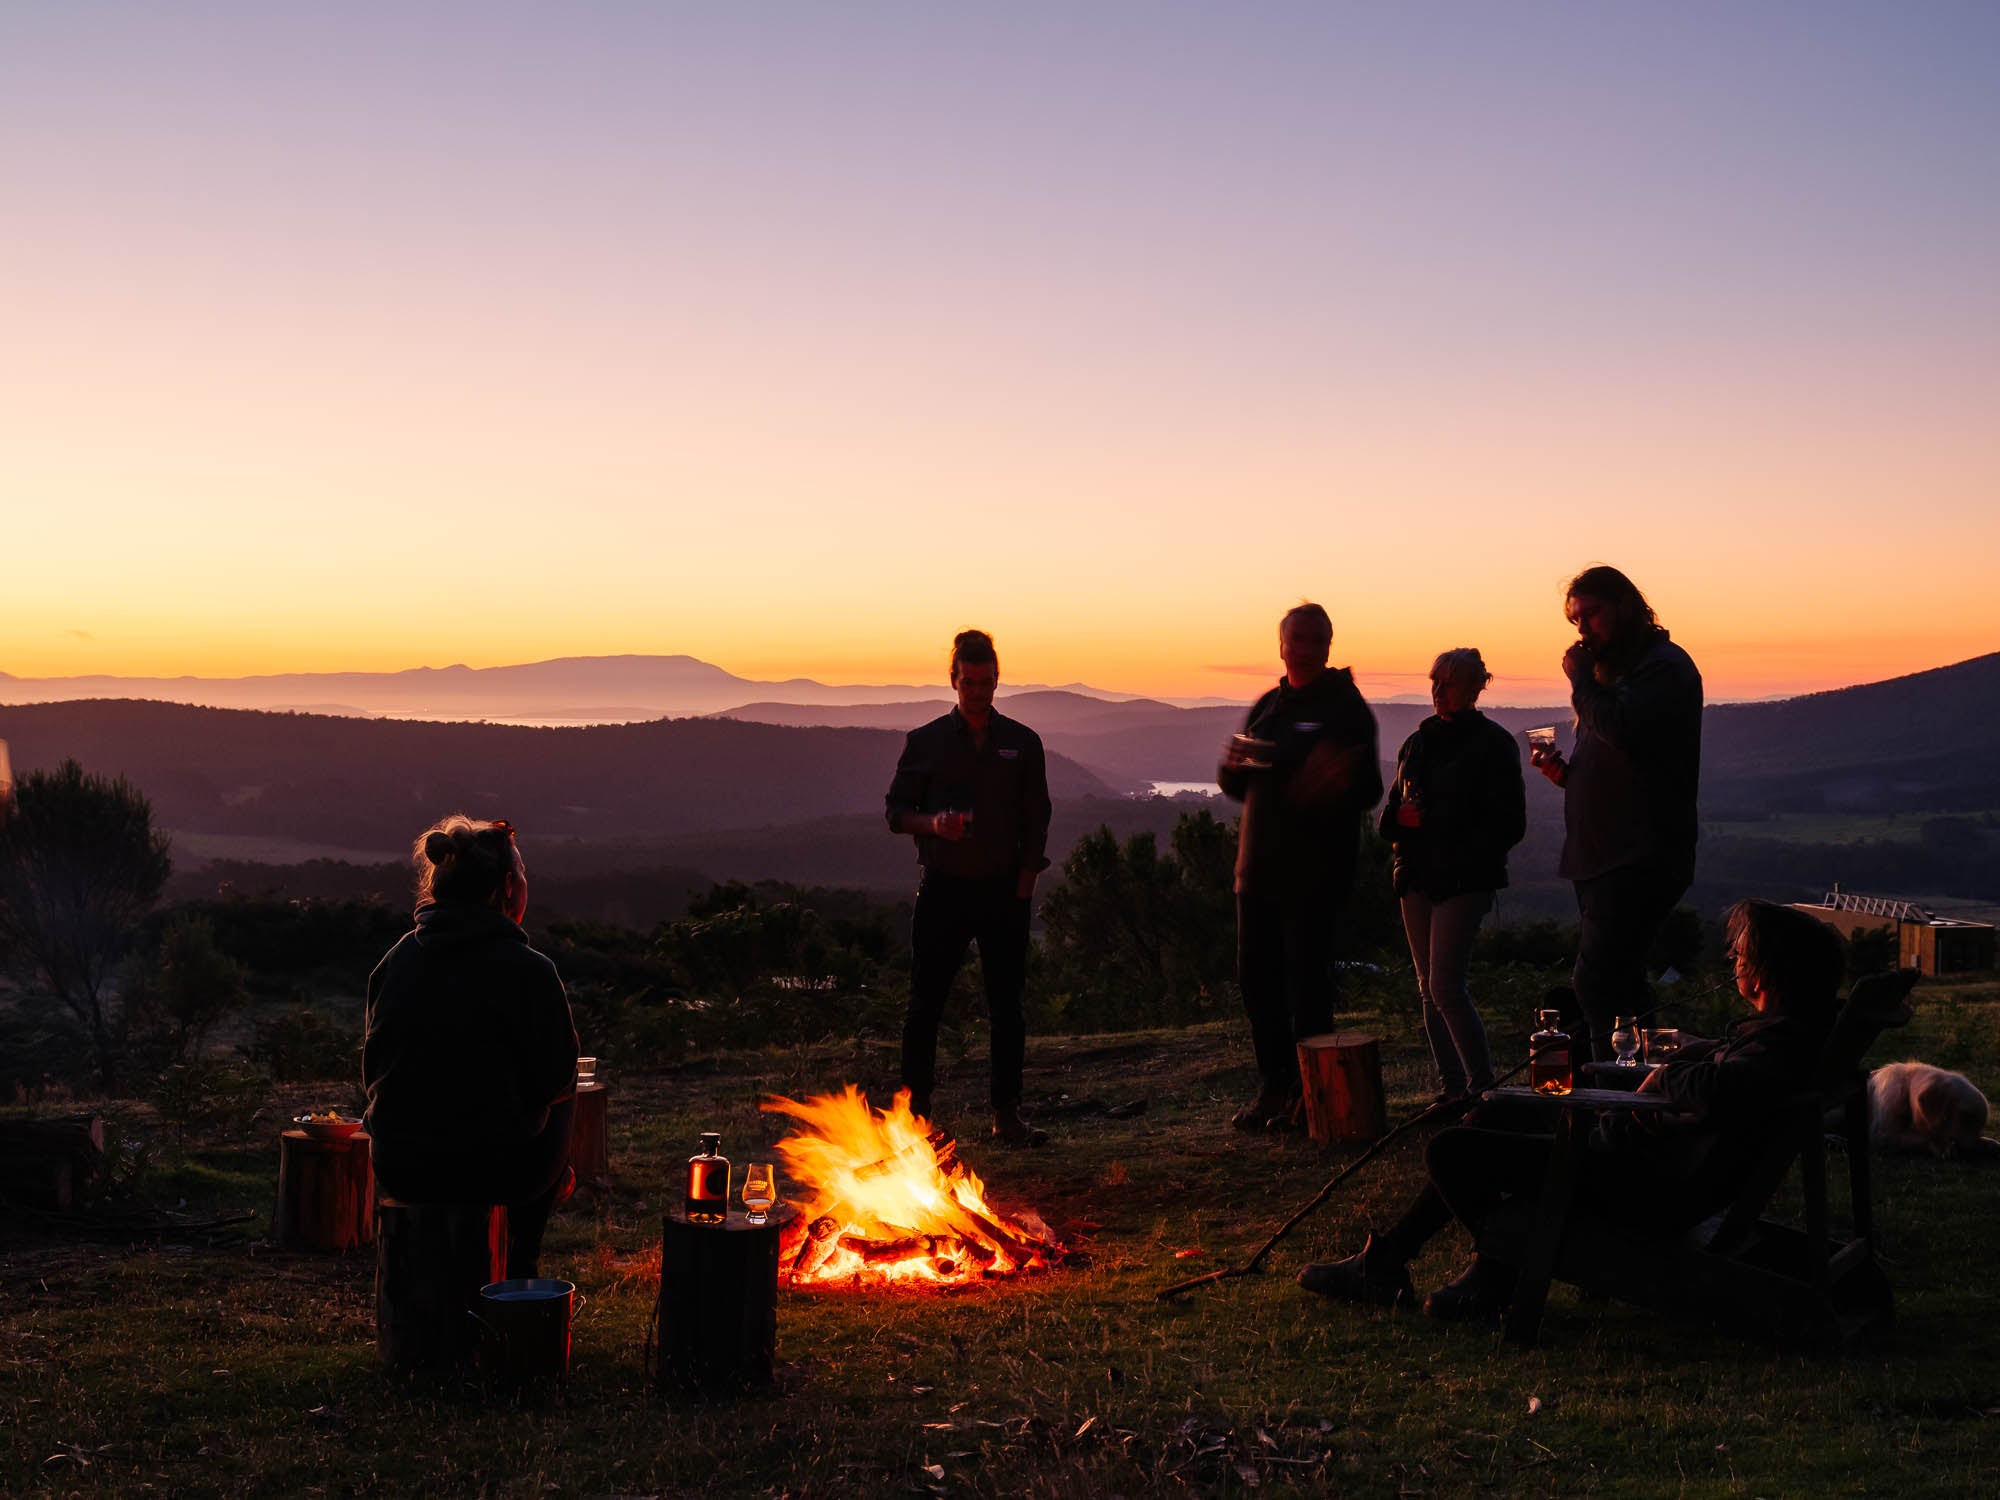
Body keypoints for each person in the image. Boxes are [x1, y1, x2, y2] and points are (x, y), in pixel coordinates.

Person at [1296, 898, 1845, 1320]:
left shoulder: (1777, 1046)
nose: (1733, 961)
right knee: (1494, 1117)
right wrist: (1696, 1050)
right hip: (1639, 1162)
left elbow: (1722, 1086)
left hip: (1635, 1184)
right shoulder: (1785, 1035)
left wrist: (1672, 1074)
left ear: (1767, 972)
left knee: (1452, 1150)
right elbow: (1726, 1072)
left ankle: (1495, 1271)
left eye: (1741, 955)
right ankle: (1405, 1263)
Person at [363, 815, 579, 1280]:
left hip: (401, 1165)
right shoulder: (532, 970)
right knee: (566, 1090)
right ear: (506, 886)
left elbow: (374, 1070)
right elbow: (558, 1077)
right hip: (498, 1171)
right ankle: (522, 1262)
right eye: (522, 874)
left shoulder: (396, 959)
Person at [884, 629, 1053, 1145]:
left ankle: (1007, 1115)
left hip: (1005, 892)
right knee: (925, 1005)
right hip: (944, 891)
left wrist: (1025, 882)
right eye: (969, 682)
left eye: (986, 682)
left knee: (1007, 1006)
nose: (978, 691)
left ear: (997, 681)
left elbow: (1037, 815)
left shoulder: (1022, 743)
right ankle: (916, 1120)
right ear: (953, 681)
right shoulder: (926, 742)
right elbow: (895, 814)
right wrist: (935, 826)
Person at [1219, 603, 1382, 1131]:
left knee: (1307, 987)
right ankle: (1275, 1088)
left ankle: (1312, 1100)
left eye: (1318, 640)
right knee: (1256, 981)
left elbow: (1370, 789)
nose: (1308, 648)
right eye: (1299, 640)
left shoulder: (1346, 708)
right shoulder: (1269, 704)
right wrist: (1230, 768)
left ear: (1329, 645)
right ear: (1282, 645)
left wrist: (1336, 780)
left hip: (1314, 873)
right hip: (1258, 869)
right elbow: (1240, 787)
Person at [1530, 566, 1703, 1061]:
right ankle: (1642, 1091)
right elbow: (1618, 751)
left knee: (1596, 981)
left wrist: (1580, 678)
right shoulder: (1619, 674)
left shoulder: (1663, 666)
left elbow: (1620, 725)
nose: (1582, 629)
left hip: (1639, 854)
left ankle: (1612, 1090)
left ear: (1626, 605)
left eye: (1591, 615)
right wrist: (1568, 775)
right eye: (1575, 620)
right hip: (1601, 853)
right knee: (1623, 985)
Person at [1379, 648, 1526, 1101]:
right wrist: (1402, 822)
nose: (1438, 692)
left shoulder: (1493, 745)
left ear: (1475, 687)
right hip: (1415, 876)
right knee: (1429, 989)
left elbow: (1510, 825)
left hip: (1465, 881)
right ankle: (1452, 1092)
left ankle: (1484, 1092)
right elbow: (1388, 820)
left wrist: (1440, 824)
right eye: (1435, 682)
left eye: (1449, 683)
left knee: (1445, 986)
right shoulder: (1417, 744)